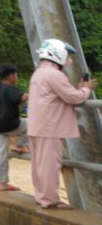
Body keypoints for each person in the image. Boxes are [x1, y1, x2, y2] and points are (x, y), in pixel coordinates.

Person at [27, 39, 97, 209]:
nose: (69, 60)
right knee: (50, 165)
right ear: (57, 54)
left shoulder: (40, 72)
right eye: (67, 56)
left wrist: (77, 89)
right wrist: (86, 88)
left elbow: (63, 93)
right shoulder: (54, 74)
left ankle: (42, 196)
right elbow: (73, 97)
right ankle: (50, 200)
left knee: (39, 165)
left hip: (37, 126)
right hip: (49, 128)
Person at [0, 64, 29, 192]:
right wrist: (28, 95)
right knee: (31, 124)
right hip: (10, 124)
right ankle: (20, 145)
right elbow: (22, 98)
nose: (16, 77)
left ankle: (2, 183)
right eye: (16, 75)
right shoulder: (11, 89)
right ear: (11, 76)